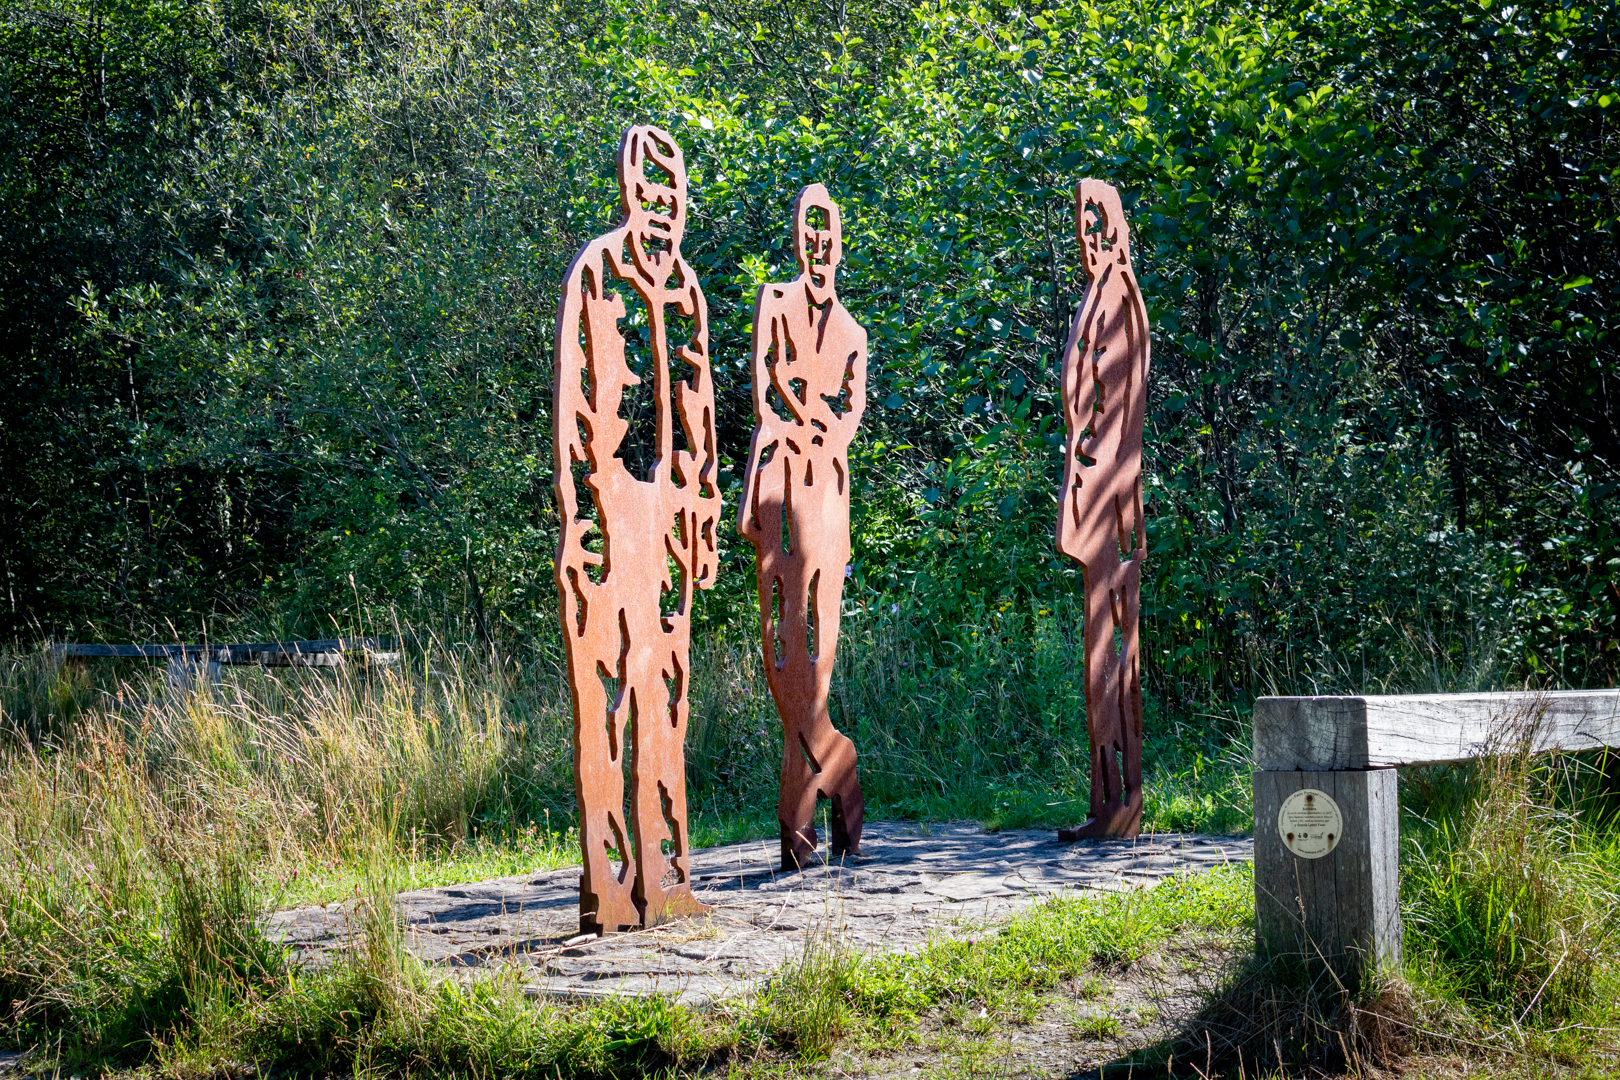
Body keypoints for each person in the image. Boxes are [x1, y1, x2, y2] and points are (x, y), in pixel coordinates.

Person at [552, 126, 720, 930]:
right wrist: (579, 524)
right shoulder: (599, 273)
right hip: (611, 507)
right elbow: (574, 405)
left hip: (672, 520)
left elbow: (703, 412)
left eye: (672, 195)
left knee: (667, 701)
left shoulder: (688, 293)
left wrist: (707, 510)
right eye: (647, 193)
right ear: (628, 193)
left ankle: (668, 870)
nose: (660, 209)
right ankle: (611, 884)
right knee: (608, 700)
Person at [739, 184, 867, 870]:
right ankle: (840, 764)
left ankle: (799, 829)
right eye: (808, 231)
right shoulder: (775, 302)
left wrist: (826, 428)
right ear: (797, 237)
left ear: (840, 243)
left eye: (828, 233)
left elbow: (852, 411)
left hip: (830, 500)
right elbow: (765, 382)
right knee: (783, 658)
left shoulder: (853, 334)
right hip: (779, 496)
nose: (818, 244)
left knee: (816, 670)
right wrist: (806, 416)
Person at [1055, 180, 1151, 841]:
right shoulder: (1096, 297)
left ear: (1118, 227)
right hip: (1095, 506)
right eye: (1082, 224)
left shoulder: (1120, 297)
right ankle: (1105, 800)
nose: (1090, 235)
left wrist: (1114, 511)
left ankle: (1120, 803)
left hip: (1111, 509)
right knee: (1099, 661)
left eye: (1099, 221)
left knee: (1112, 660)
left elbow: (1120, 413)